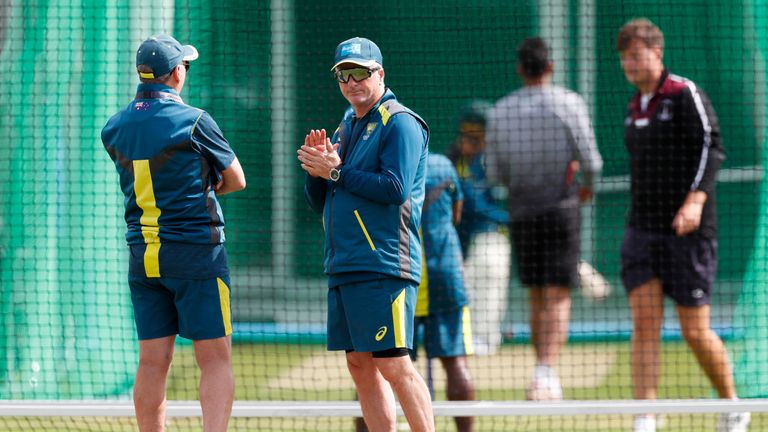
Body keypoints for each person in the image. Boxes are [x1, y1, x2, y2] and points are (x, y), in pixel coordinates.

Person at [101, 35, 246, 432]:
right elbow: (237, 180)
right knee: (215, 359)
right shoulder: (195, 120)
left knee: (151, 361)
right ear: (177, 72)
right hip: (197, 253)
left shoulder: (113, 127)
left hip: (143, 256)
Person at [616, 18, 750, 432]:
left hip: (688, 234)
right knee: (644, 325)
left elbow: (713, 146)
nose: (630, 65)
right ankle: (646, 418)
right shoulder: (634, 107)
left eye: (637, 55)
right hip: (642, 231)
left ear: (658, 53)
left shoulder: (684, 92)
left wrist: (695, 201)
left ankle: (731, 405)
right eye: (624, 59)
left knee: (694, 330)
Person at [298, 37, 434, 432]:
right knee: (359, 364)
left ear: (380, 74)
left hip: (384, 263)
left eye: (360, 73)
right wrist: (317, 172)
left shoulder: (401, 121)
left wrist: (335, 171)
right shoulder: (349, 122)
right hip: (346, 263)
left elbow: (395, 189)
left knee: (393, 362)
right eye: (344, 74)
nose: (352, 82)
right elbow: (322, 200)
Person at [485, 37, 603, 401]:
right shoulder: (569, 103)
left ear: (520, 68)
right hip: (562, 212)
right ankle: (546, 373)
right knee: (557, 295)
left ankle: (541, 374)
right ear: (549, 66)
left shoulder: (501, 111)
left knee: (537, 294)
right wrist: (587, 187)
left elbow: (493, 173)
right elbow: (592, 162)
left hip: (522, 212)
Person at [413, 153, 476, 432]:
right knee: (455, 362)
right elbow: (457, 213)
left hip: (401, 277)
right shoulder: (443, 165)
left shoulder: (380, 163)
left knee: (379, 366)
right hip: (446, 275)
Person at [446, 100, 511, 356]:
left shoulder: (497, 157)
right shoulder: (455, 158)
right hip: (459, 236)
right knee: (466, 287)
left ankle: (486, 336)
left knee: (490, 278)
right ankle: (470, 336)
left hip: (490, 235)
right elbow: (472, 203)